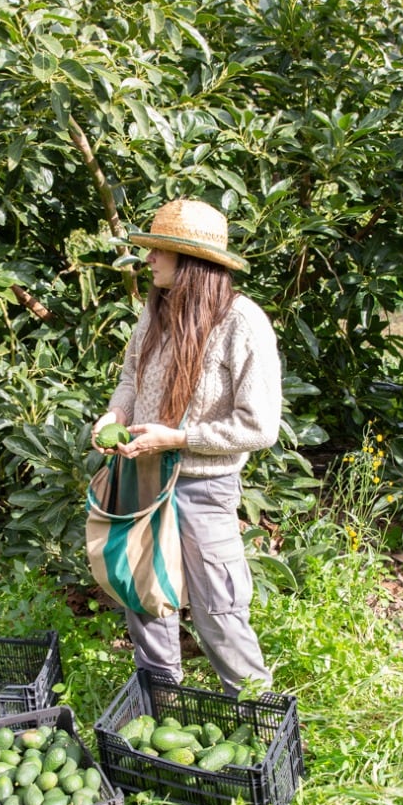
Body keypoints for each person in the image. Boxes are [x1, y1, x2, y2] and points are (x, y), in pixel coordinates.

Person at [92, 198, 282, 696]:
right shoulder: (155, 312)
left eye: (160, 252)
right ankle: (161, 703)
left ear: (190, 262)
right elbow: (132, 378)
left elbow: (260, 426)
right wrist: (116, 414)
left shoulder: (241, 323)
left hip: (204, 487)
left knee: (218, 608)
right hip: (145, 477)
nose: (149, 260)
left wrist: (179, 438)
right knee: (146, 594)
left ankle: (256, 713)